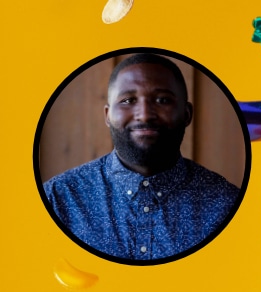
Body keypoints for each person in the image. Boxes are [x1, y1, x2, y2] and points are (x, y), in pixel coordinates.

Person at [42, 53, 240, 261]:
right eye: (128, 100)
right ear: (108, 116)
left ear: (187, 114)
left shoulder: (226, 205)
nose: (144, 114)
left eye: (162, 100)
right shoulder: (57, 200)